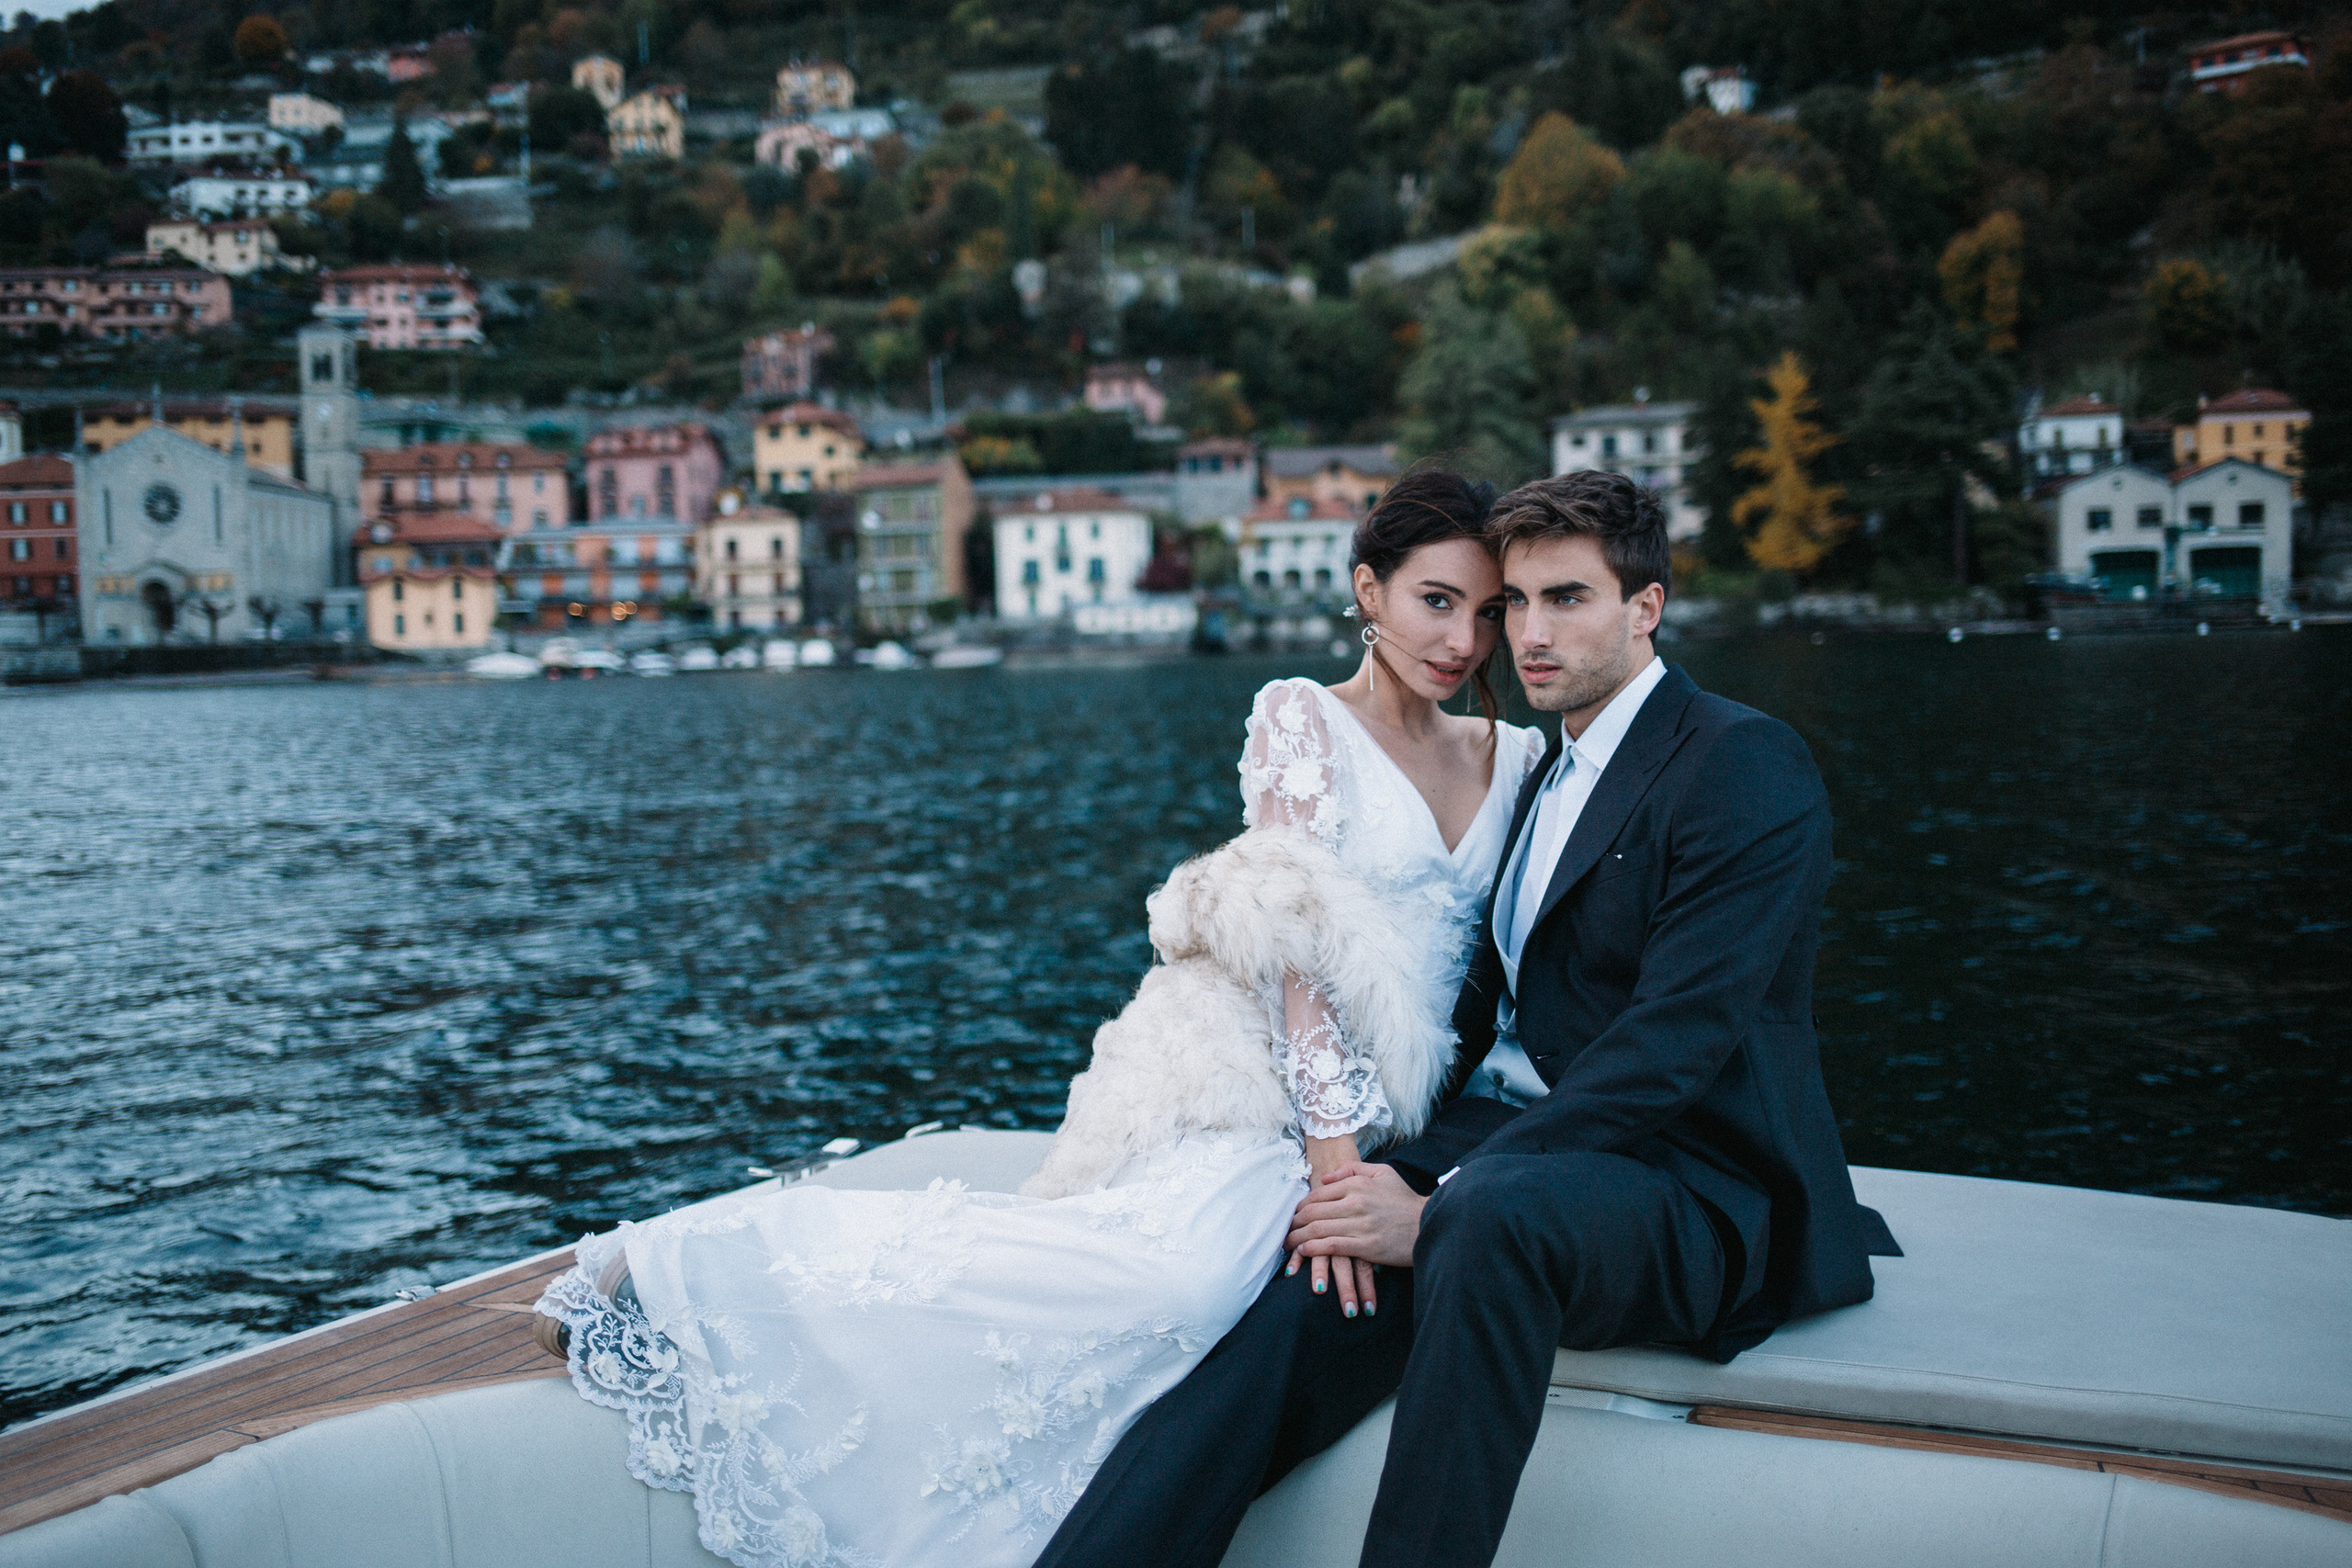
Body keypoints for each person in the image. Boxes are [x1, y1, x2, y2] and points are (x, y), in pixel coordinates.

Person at [531, 470, 1547, 1568]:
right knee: (1187, 1273)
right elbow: (1291, 944)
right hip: (1266, 1081)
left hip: (1414, 1108)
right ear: (1368, 590)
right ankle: (693, 1266)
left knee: (1224, 1294)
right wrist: (1335, 1159)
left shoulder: (1517, 756)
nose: (1462, 638)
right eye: (1435, 600)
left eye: (1489, 612)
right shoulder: (1304, 718)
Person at [1031, 470, 1898, 1568]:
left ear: (1645, 607)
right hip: (1513, 1144)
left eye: (1564, 600)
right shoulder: (1546, 772)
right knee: (1311, 1270)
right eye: (1513, 604)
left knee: (1484, 1222)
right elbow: (1482, 1004)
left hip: (1684, 1176)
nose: (1525, 636)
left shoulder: (1740, 760)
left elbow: (1677, 1041)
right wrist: (1370, 1168)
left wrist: (1433, 1200)